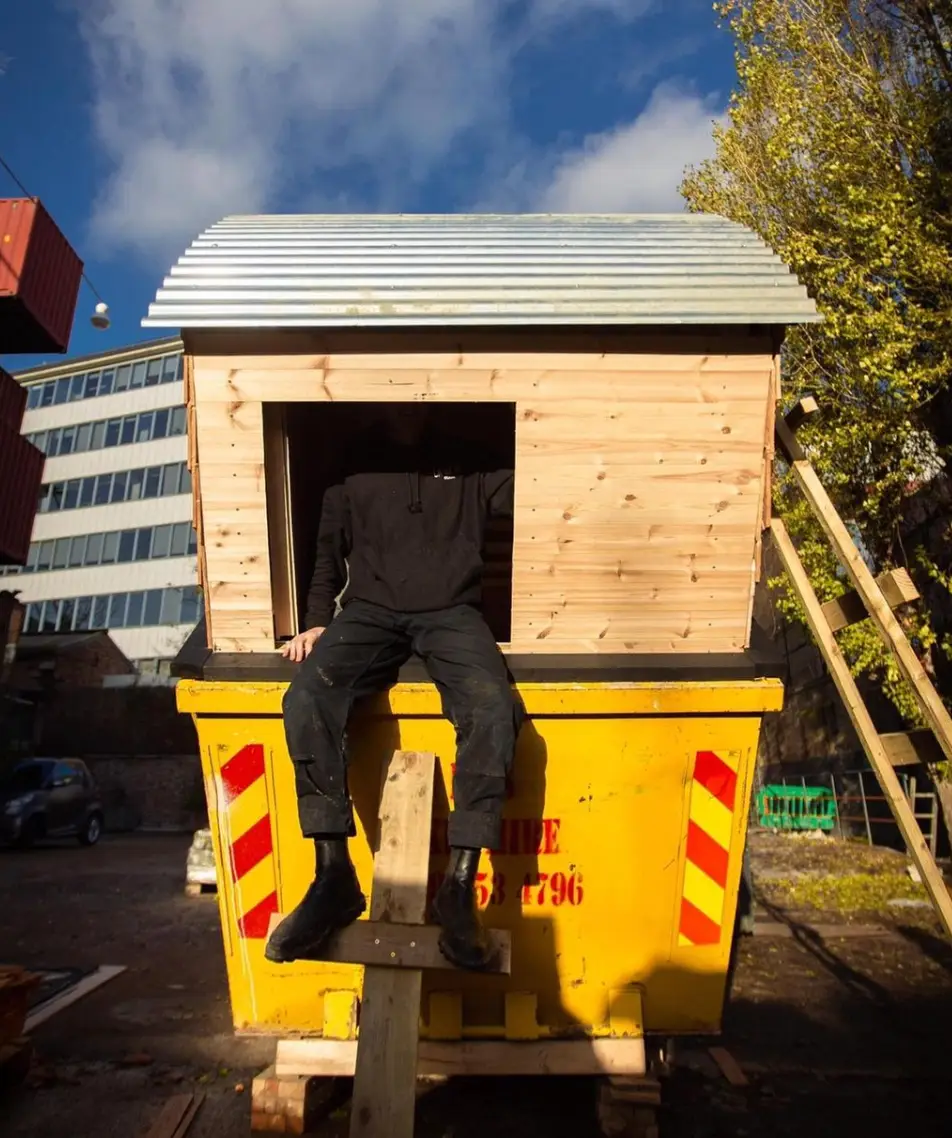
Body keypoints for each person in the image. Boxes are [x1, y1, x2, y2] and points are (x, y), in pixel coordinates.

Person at [265, 405, 522, 972]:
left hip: (453, 613)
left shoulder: (473, 461)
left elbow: (548, 491)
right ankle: (333, 876)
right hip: (370, 612)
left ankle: (458, 888)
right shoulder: (352, 463)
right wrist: (316, 621)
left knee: (492, 706)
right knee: (306, 697)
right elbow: (327, 551)